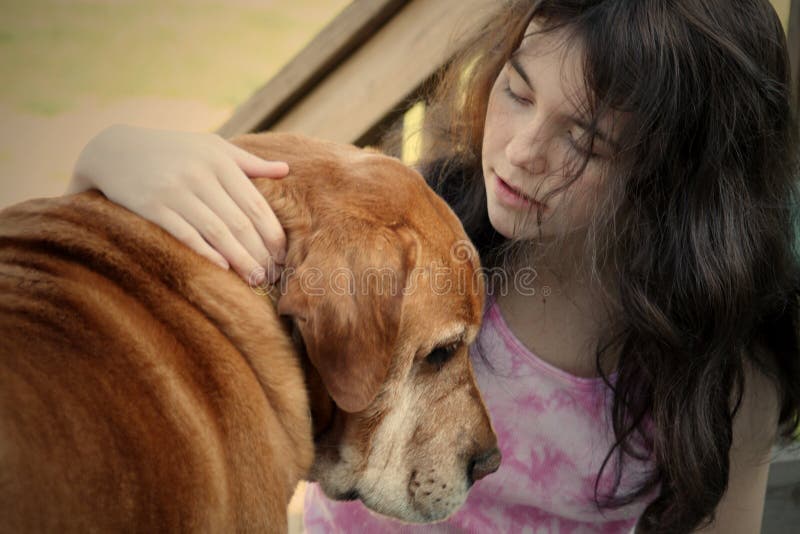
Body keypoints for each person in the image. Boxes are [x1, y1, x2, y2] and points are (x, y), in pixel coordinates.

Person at [67, 0, 800, 532]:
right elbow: (148, 293)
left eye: (584, 140)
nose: (519, 151)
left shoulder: (722, 371)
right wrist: (109, 158)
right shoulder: (419, 231)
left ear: (678, 177)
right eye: (517, 90)